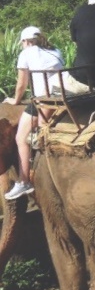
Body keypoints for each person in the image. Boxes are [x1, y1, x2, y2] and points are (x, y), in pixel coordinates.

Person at [3, 26, 64, 200]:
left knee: (21, 138)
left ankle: (23, 182)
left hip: (44, 100)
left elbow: (21, 84)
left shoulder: (27, 53)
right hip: (62, 96)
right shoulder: (55, 50)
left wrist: (15, 101)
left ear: (25, 41)